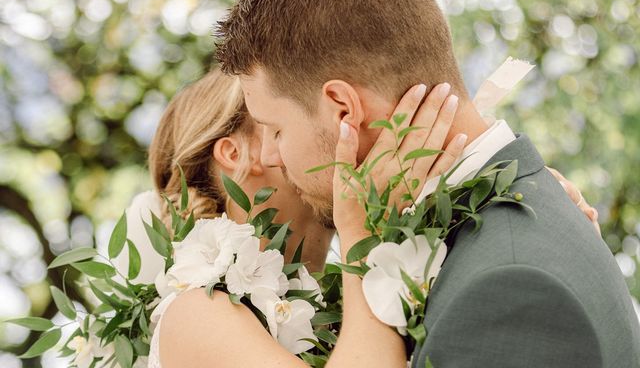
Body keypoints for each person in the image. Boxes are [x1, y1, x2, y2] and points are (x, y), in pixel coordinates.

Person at [215, 0, 640, 367]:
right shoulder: (518, 217)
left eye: (275, 129)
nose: (270, 156)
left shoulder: (508, 288)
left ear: (344, 110)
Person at [124, 66, 601, 367]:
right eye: (271, 126)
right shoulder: (198, 313)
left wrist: (533, 218)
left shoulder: (352, 295)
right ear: (237, 153)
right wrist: (361, 238)